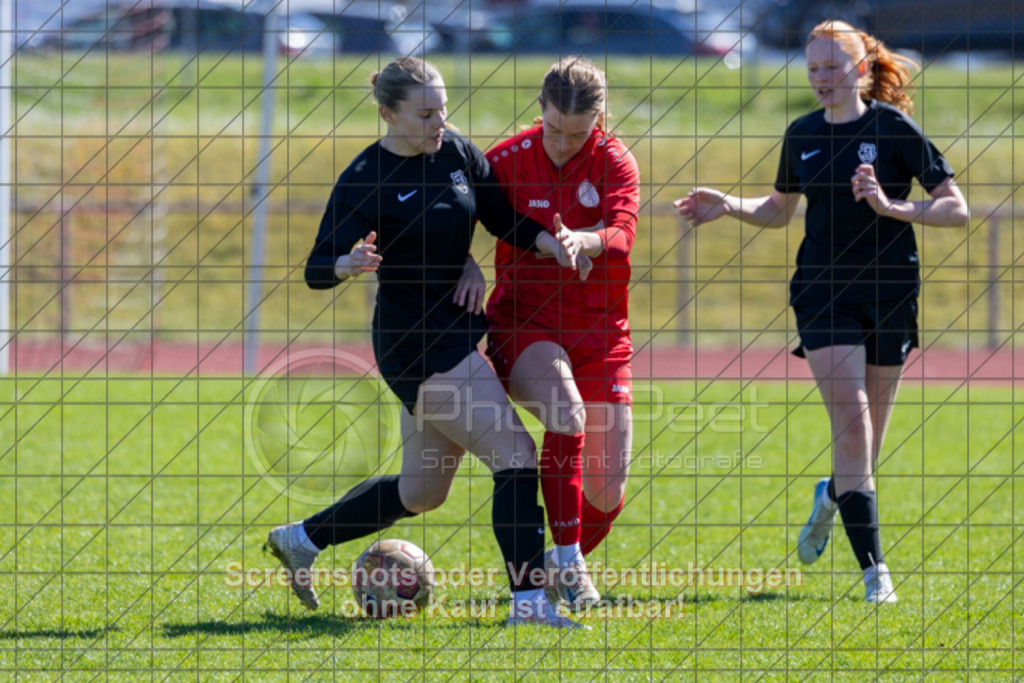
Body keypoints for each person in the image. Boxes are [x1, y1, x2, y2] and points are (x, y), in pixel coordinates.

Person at [264, 57, 588, 629]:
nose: (441, 120)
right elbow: (316, 267)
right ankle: (530, 604)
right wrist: (349, 262)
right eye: (426, 112)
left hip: (457, 331)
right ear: (387, 113)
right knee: (514, 456)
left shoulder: (457, 152)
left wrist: (548, 241)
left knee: (421, 492)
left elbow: (499, 217)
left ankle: (302, 539)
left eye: (443, 107)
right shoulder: (366, 177)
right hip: (416, 344)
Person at [673, 21, 969, 604]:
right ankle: (875, 574)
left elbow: (955, 211)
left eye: (833, 68)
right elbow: (778, 210)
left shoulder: (893, 129)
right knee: (853, 426)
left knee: (863, 448)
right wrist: (726, 204)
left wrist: (890, 206)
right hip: (822, 293)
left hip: (890, 294)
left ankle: (831, 498)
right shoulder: (801, 134)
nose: (821, 79)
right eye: (813, 69)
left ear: (861, 69)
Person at [482, 57, 641, 611]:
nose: (564, 143)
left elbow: (622, 231)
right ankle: (568, 560)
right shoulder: (503, 160)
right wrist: (458, 264)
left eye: (579, 134)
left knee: (608, 489)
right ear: (539, 111)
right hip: (524, 322)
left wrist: (585, 241)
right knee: (566, 413)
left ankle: (554, 563)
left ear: (599, 121)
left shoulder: (615, 160)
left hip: (600, 331)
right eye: (554, 130)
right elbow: (458, 215)